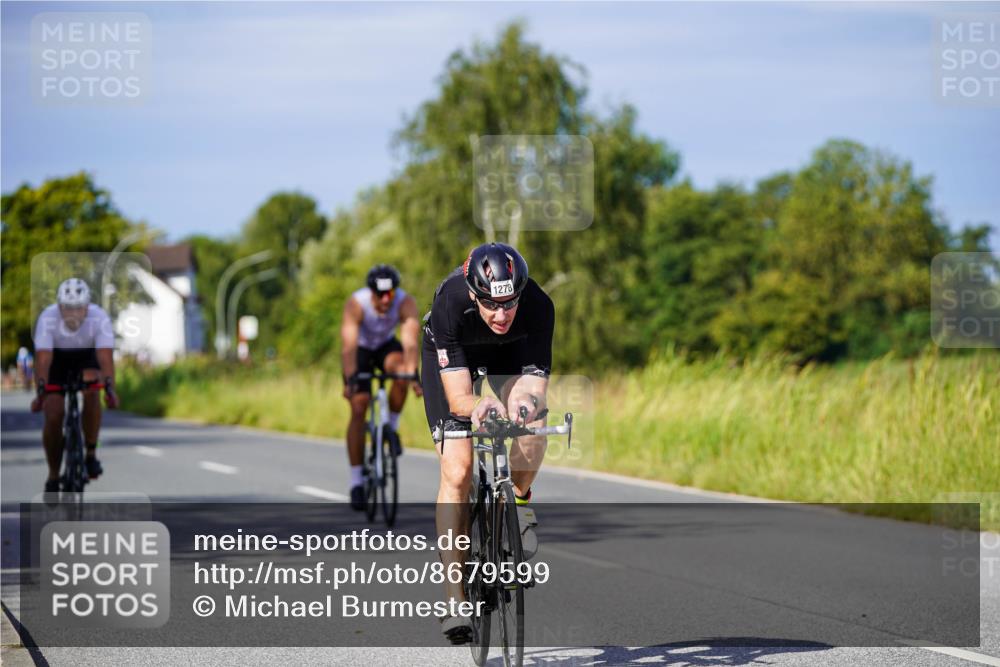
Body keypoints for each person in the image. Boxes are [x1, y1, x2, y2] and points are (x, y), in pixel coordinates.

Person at [420, 242, 554, 643]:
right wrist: (478, 406)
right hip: (454, 357)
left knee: (533, 425)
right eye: (491, 306)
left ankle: (520, 501)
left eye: (509, 304)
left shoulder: (538, 307)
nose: (501, 315)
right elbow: (460, 397)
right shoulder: (450, 301)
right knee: (458, 471)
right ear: (474, 294)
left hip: (510, 358)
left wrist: (525, 408)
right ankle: (455, 600)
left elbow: (532, 386)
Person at [341, 264, 422, 509]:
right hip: (361, 350)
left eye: (391, 294)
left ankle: (392, 428)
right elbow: (349, 346)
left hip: (386, 347)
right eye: (380, 295)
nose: (386, 300)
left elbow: (409, 342)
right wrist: (350, 379)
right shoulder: (357, 304)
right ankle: (356, 482)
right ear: (371, 292)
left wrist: (412, 374)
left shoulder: (405, 302)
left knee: (402, 374)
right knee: (359, 405)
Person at [30, 278, 119, 492]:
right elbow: (43, 359)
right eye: (67, 308)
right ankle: (53, 474)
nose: (73, 314)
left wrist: (110, 390)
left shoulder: (99, 318)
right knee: (53, 413)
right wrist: (40, 394)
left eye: (78, 308)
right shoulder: (47, 317)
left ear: (87, 306)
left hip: (87, 357)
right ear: (59, 306)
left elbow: (105, 358)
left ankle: (90, 453)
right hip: (57, 360)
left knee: (92, 391)